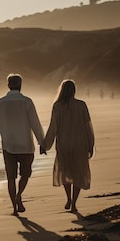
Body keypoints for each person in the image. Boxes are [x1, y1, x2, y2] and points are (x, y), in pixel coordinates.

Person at [0, 74, 45, 216]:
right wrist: (42, 142)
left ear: (8, 85)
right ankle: (19, 195)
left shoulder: (0, 103)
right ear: (20, 85)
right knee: (25, 175)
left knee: (10, 177)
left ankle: (14, 207)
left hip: (8, 145)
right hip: (26, 145)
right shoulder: (27, 102)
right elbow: (35, 123)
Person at [41, 80, 95, 212]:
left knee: (65, 171)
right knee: (78, 172)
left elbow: (53, 128)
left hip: (64, 144)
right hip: (80, 144)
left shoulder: (57, 106)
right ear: (74, 90)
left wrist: (45, 145)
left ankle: (68, 198)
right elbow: (88, 126)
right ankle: (74, 204)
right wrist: (91, 144)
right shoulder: (82, 105)